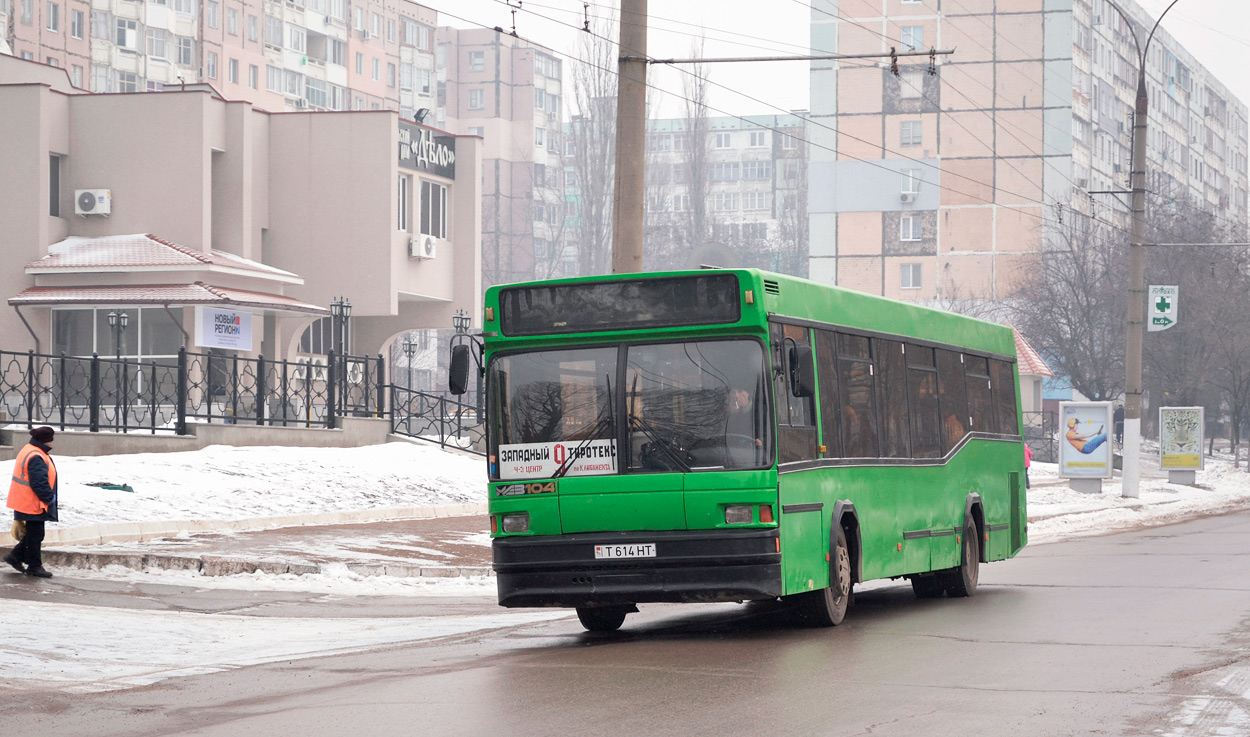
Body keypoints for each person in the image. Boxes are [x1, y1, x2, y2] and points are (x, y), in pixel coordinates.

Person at [5, 426, 58, 578]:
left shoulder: (29, 449)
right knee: (35, 535)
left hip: (23, 499)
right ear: (47, 441)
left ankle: (17, 557)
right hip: (32, 502)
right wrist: (48, 497)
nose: (52, 444)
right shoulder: (36, 455)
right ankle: (33, 566)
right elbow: (39, 482)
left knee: (33, 534)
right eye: (51, 440)